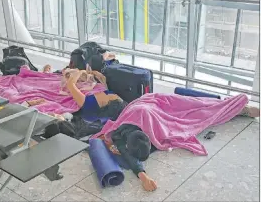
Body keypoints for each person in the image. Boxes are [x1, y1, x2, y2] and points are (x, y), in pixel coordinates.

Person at [66, 69, 260, 192]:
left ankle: (226, 106)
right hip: (143, 112)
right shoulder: (115, 128)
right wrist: (71, 78)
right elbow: (129, 152)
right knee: (194, 116)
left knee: (189, 104)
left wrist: (93, 77)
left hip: (150, 103)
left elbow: (126, 148)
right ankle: (231, 109)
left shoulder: (97, 89)